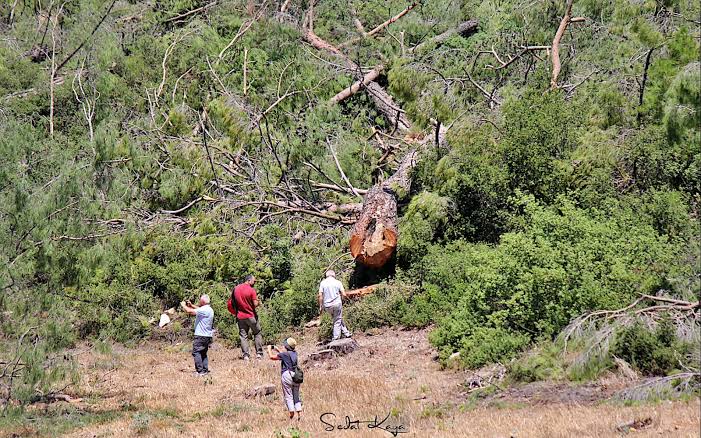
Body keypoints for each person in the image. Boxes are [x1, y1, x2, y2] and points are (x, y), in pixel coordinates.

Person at [267, 338, 302, 421]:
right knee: (296, 395)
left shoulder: (284, 355)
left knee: (288, 395)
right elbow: (285, 357)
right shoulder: (295, 353)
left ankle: (291, 413)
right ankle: (299, 413)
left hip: (287, 375)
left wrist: (269, 349)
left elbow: (272, 357)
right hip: (296, 376)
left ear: (287, 346)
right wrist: (278, 350)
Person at [181, 294, 214, 376]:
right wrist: (191, 305)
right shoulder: (209, 309)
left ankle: (200, 371)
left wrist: (183, 305)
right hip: (207, 335)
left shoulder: (204, 310)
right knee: (203, 353)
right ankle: (205, 370)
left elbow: (189, 311)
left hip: (200, 335)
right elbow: (199, 309)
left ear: (202, 301)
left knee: (196, 352)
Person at [232, 274, 263, 360]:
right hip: (251, 316)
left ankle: (245, 355)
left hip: (240, 316)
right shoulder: (251, 290)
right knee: (257, 333)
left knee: (243, 336)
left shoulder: (236, 289)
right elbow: (255, 304)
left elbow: (232, 302)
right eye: (254, 281)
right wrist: (259, 302)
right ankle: (259, 354)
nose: (255, 282)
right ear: (249, 280)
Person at [318, 270, 352, 341]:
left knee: (338, 318)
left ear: (326, 275)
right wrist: (344, 300)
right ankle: (336, 338)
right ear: (334, 275)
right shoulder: (338, 282)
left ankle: (346, 333)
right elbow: (344, 294)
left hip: (327, 305)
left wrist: (321, 306)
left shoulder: (323, 283)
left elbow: (320, 296)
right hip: (337, 303)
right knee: (337, 320)